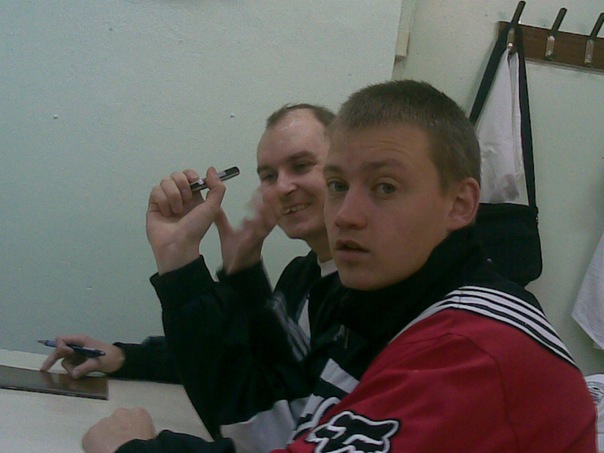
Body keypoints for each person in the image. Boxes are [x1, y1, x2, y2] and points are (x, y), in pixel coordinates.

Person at [82, 80, 597, 453]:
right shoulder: (378, 298)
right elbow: (291, 417)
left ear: (460, 204)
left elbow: (263, 419)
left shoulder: (470, 342)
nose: (345, 214)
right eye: (338, 185)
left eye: (384, 187)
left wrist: (135, 450)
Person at [43, 104, 342, 448]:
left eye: (301, 166)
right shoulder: (303, 273)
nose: (283, 187)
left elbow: (257, 430)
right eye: (268, 176)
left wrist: (180, 263)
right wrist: (126, 358)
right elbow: (256, 363)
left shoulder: (362, 297)